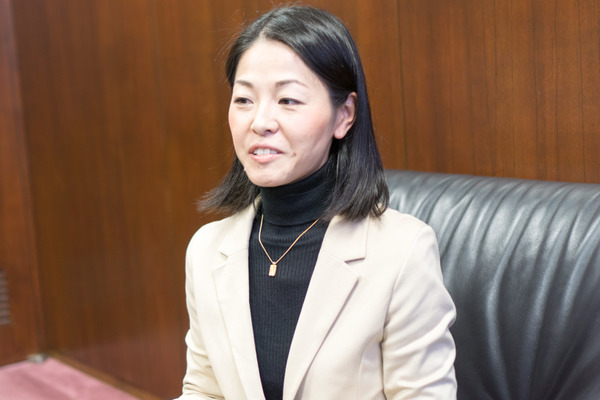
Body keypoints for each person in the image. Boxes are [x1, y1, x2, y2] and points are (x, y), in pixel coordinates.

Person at [176, 5, 456, 400]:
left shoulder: (402, 252)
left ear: (344, 115)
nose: (260, 122)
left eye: (288, 100)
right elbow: (204, 389)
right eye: (244, 100)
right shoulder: (206, 250)